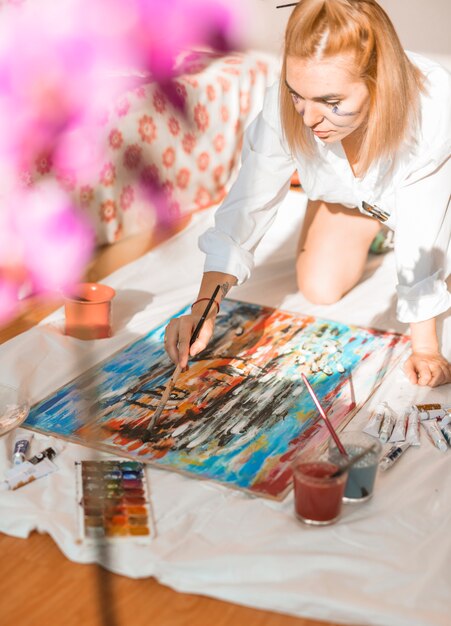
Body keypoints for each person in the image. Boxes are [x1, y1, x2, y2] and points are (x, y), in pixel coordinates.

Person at [165, 0, 451, 388]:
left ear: (378, 81)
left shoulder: (432, 108)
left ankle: (388, 222)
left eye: (332, 103)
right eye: (297, 93)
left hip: (437, 197)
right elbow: (249, 202)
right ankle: (380, 225)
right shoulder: (287, 104)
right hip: (363, 201)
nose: (309, 118)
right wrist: (205, 306)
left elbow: (424, 230)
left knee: (437, 283)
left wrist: (425, 347)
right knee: (319, 287)